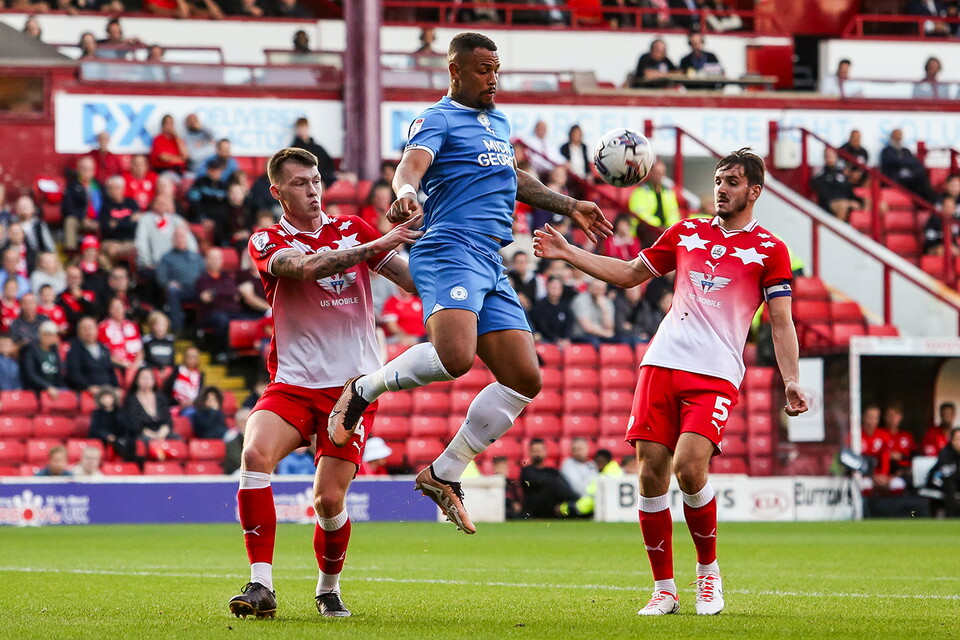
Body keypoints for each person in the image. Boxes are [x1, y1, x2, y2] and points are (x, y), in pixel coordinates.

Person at [328, 32, 611, 535]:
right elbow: (410, 167)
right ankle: (363, 389)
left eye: (497, 69)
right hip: (449, 248)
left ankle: (445, 472)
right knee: (455, 359)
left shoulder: (497, 122)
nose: (493, 79)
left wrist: (570, 204)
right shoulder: (437, 117)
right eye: (484, 69)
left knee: (526, 379)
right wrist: (408, 192)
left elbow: (513, 178)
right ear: (456, 71)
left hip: (490, 258)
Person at [533, 148, 807, 616]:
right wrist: (567, 252)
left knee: (690, 466)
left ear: (754, 191)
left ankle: (707, 575)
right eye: (719, 180)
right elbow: (628, 274)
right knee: (651, 473)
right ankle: (664, 589)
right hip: (661, 364)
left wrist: (792, 379)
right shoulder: (686, 232)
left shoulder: (770, 249)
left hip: (716, 373)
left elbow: (781, 322)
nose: (721, 188)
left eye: (733, 182)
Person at [226, 146, 421, 619]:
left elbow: (410, 281)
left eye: (315, 180)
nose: (312, 189)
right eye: (299, 183)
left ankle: (328, 588)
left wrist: (450, 259)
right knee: (253, 455)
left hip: (354, 388)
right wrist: (381, 242)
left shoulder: (354, 228)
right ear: (277, 191)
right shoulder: (265, 240)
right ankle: (260, 585)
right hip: (292, 384)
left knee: (328, 500)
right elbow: (307, 268)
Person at [156, 225, 205, 334]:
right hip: (180, 289)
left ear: (187, 238)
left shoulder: (196, 256)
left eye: (182, 236)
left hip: (196, 289)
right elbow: (161, 278)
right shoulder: (166, 257)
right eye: (177, 236)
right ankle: (178, 330)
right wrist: (169, 283)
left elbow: (205, 274)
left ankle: (201, 331)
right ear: (173, 240)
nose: (180, 239)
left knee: (209, 292)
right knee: (172, 291)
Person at [519, 438, 580, 518]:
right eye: (535, 451)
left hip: (554, 512)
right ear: (530, 452)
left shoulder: (552, 471)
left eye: (540, 450)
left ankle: (577, 502)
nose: (538, 454)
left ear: (545, 452)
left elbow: (564, 486)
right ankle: (577, 501)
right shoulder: (527, 471)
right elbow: (546, 482)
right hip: (533, 513)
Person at [123, 367, 176, 459]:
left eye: (149, 378)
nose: (146, 381)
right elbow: (134, 423)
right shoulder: (131, 400)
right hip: (142, 433)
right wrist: (153, 435)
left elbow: (168, 420)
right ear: (136, 380)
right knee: (149, 443)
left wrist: (163, 432)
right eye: (143, 378)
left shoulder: (161, 397)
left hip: (162, 432)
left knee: (177, 440)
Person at [880, 129, 939, 203]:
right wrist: (907, 162)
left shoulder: (906, 151)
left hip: (909, 178)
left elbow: (917, 164)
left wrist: (906, 163)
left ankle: (931, 202)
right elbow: (895, 161)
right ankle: (931, 202)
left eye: (900, 137)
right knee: (918, 182)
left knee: (921, 178)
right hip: (895, 180)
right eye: (896, 137)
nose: (898, 139)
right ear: (891, 138)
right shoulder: (886, 151)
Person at [66, 316, 119, 395]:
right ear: (79, 332)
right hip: (88, 391)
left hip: (108, 390)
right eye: (84, 329)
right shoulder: (74, 350)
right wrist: (88, 387)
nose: (88, 332)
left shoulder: (103, 348)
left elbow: (111, 370)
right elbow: (74, 374)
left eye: (90, 328)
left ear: (96, 330)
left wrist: (116, 387)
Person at [628, 161, 680, 240]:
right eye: (657, 173)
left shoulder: (668, 192)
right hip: (645, 232)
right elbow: (640, 214)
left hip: (664, 230)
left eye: (662, 173)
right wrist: (658, 226)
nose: (659, 176)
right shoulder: (641, 191)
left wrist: (670, 226)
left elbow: (674, 213)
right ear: (650, 173)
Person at [810, 147, 864, 223]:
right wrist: (847, 202)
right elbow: (823, 194)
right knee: (843, 205)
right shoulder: (821, 173)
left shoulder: (842, 172)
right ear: (824, 157)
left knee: (868, 202)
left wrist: (858, 201)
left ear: (836, 156)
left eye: (831, 154)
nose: (829, 156)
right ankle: (837, 232)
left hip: (845, 200)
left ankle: (870, 232)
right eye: (827, 155)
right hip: (830, 203)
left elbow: (849, 190)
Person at [61, 156, 102, 251]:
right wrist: (83, 218)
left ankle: (101, 251)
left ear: (94, 171)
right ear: (78, 170)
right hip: (80, 219)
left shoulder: (98, 186)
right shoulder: (73, 186)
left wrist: (99, 220)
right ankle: (71, 251)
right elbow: (67, 208)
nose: (87, 172)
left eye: (89, 169)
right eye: (84, 169)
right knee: (69, 221)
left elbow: (105, 206)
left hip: (98, 220)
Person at [99, 175, 142, 264]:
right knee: (111, 251)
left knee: (140, 251)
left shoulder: (131, 203)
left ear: (123, 189)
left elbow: (137, 226)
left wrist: (117, 224)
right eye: (111, 188)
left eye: (117, 188)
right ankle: (115, 274)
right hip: (112, 241)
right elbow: (107, 229)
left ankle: (132, 276)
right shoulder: (105, 206)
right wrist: (129, 221)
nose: (114, 191)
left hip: (130, 241)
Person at [89, 387, 136, 461]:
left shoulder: (120, 412)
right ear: (99, 400)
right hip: (104, 439)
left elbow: (127, 427)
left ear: (113, 398)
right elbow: (94, 429)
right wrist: (107, 436)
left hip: (120, 437)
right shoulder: (97, 413)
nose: (107, 400)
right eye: (103, 398)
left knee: (130, 441)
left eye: (109, 397)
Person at [20, 321, 65, 396]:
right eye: (48, 335)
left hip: (55, 387)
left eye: (54, 335)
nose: (52, 338)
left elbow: (58, 374)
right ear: (41, 335)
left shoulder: (54, 351)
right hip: (37, 389)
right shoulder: (31, 351)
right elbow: (31, 374)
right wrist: (47, 387)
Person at [290, 117, 337, 187]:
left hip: (320, 175)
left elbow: (328, 164)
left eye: (304, 127)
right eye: (300, 127)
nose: (302, 130)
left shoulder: (317, 147)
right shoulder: (293, 149)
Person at [924, 427, 960, 517]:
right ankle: (952, 519)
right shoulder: (945, 453)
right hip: (940, 481)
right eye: (957, 440)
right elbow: (947, 474)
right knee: (950, 485)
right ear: (952, 441)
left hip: (956, 482)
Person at [570, 277, 617, 347]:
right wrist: (606, 334)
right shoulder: (581, 300)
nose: (599, 291)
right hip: (581, 335)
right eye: (596, 288)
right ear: (589, 287)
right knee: (596, 343)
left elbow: (609, 327)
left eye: (601, 289)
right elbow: (587, 327)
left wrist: (604, 310)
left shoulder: (607, 302)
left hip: (600, 335)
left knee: (620, 342)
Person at [529, 275, 575, 345]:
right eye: (552, 288)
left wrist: (566, 338)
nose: (555, 291)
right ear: (547, 287)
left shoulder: (565, 306)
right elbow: (542, 327)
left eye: (557, 288)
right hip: (546, 339)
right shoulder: (539, 306)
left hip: (563, 341)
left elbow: (569, 324)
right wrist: (555, 339)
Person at [165, 345, 204, 416]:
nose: (192, 359)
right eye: (189, 356)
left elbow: (201, 395)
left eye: (195, 357)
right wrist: (179, 402)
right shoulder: (177, 370)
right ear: (184, 358)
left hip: (193, 406)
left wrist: (192, 402)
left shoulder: (200, 375)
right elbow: (167, 390)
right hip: (175, 405)